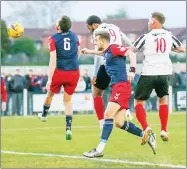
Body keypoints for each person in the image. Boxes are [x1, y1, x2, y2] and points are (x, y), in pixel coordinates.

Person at [82, 31, 147, 158]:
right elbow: (101, 52)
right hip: (118, 87)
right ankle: (145, 134)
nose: (94, 42)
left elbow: (131, 52)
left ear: (103, 40)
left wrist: (132, 70)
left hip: (121, 87)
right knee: (119, 122)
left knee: (107, 115)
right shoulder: (107, 52)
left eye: (96, 40)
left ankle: (99, 149)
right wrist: (89, 52)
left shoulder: (115, 48)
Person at [131, 12, 185, 154]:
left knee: (138, 103)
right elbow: (181, 49)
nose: (148, 22)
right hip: (164, 73)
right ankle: (164, 130)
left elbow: (132, 50)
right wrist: (169, 49)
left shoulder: (146, 37)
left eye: (150, 20)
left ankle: (146, 127)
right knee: (163, 100)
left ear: (154, 21)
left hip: (149, 72)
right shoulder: (169, 35)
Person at [38, 16, 81, 140]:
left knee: (50, 94)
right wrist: (72, 62)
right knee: (67, 101)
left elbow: (52, 60)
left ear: (58, 27)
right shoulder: (74, 36)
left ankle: (44, 115)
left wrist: (50, 79)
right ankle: (68, 129)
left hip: (60, 71)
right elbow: (78, 52)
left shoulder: (53, 39)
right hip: (74, 72)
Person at [86, 15, 133, 129]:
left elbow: (98, 55)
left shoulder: (97, 31)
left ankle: (102, 122)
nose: (89, 30)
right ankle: (126, 110)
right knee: (120, 86)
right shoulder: (115, 27)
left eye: (89, 27)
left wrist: (94, 74)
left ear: (94, 25)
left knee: (97, 93)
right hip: (120, 62)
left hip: (106, 63)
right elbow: (128, 41)